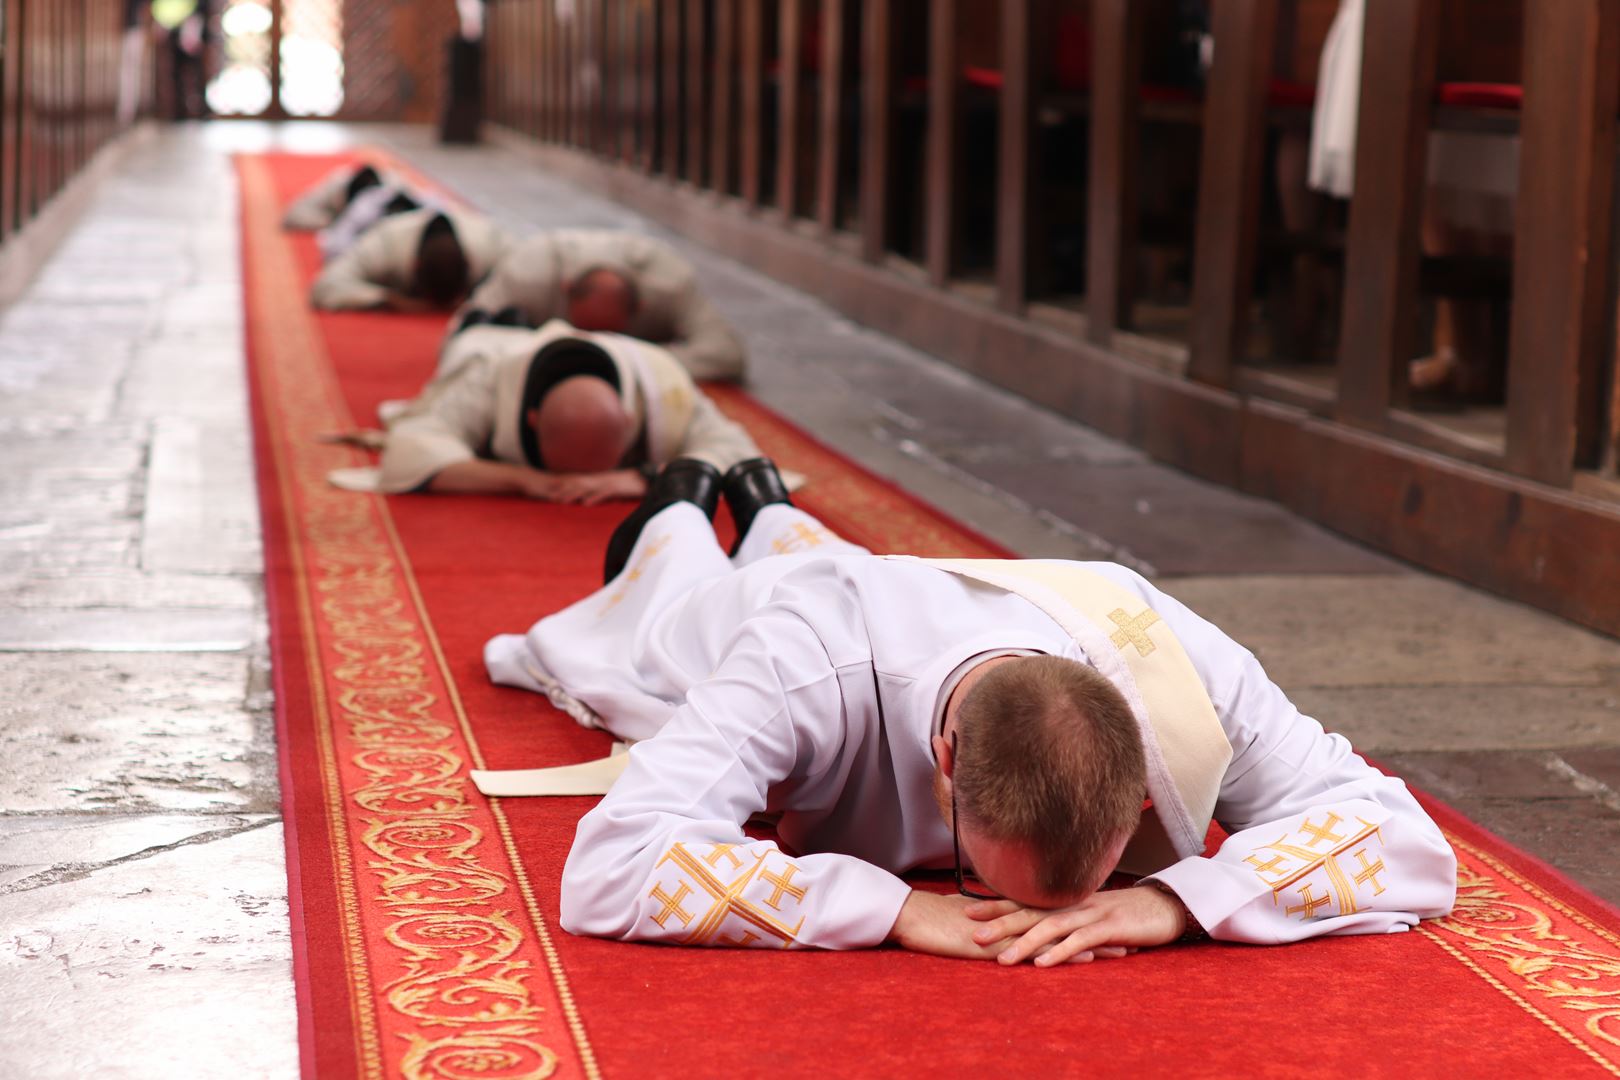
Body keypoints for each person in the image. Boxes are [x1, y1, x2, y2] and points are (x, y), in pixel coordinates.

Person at [479, 461, 1458, 961]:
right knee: (654, 612)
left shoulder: (1175, 663)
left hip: (921, 593)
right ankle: (682, 504)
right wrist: (893, 906)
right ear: (946, 766)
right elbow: (611, 866)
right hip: (772, 614)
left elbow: (1401, 836)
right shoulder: (799, 661)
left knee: (813, 548)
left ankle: (769, 503)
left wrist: (1173, 900)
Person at [345, 321, 759, 503]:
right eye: (566, 477)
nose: (576, 489)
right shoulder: (493, 376)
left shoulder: (661, 382)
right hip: (491, 342)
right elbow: (415, 442)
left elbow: (737, 450)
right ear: (532, 420)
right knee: (464, 345)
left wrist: (640, 477)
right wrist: (524, 480)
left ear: (628, 422)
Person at [454, 230, 747, 381]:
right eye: (585, 330)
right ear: (565, 292)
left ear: (641, 307)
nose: (595, 344)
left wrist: (625, 361)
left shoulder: (669, 284)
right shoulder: (527, 275)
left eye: (609, 335)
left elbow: (727, 354)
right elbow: (461, 336)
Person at [310, 208, 508, 313]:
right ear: (414, 266)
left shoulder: (490, 243)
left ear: (470, 264)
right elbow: (326, 285)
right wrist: (389, 300)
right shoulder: (386, 243)